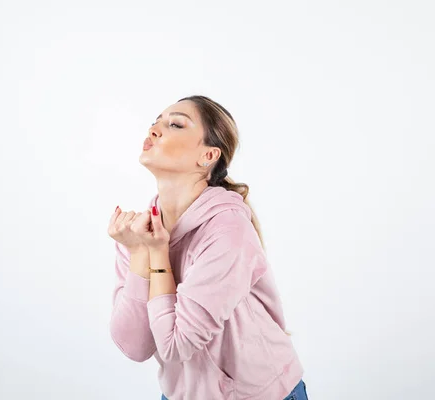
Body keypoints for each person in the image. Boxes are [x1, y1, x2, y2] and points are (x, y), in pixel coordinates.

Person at [108, 95, 308, 400]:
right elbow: (134, 347)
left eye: (175, 124)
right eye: (154, 122)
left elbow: (176, 345)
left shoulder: (228, 229)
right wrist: (139, 254)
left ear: (208, 155)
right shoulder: (140, 234)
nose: (155, 129)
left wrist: (157, 253)